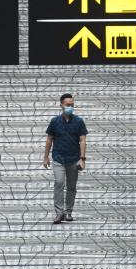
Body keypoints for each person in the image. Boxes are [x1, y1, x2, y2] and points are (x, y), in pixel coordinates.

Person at [42, 93, 88, 224]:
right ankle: (59, 213)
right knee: (59, 183)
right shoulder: (55, 121)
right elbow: (49, 139)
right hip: (58, 158)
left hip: (73, 159)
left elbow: (83, 140)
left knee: (72, 186)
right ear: (61, 105)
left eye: (72, 105)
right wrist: (46, 157)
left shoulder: (79, 121)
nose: (70, 107)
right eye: (68, 105)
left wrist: (82, 158)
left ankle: (68, 212)